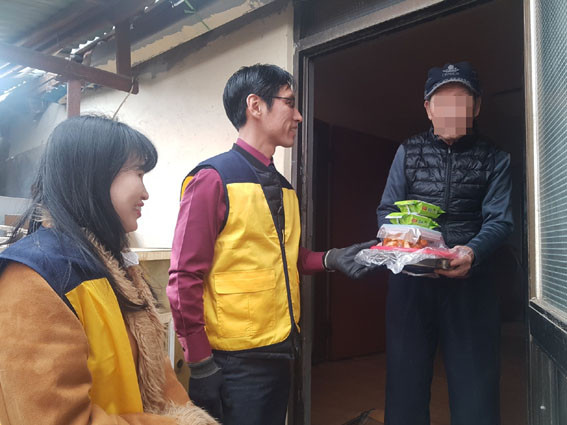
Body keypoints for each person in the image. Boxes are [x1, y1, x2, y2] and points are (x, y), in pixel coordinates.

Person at [168, 64, 375, 425]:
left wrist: (332, 258)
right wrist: (200, 363)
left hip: (281, 350)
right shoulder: (212, 179)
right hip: (234, 361)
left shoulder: (284, 188)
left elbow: (285, 257)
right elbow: (183, 277)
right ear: (255, 106)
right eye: (289, 103)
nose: (298, 116)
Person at [0, 116, 217, 425]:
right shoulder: (34, 278)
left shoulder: (114, 267)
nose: (145, 193)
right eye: (138, 173)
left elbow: (158, 375)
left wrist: (191, 418)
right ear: (95, 175)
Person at [377, 62, 513, 425]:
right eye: (443, 101)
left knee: (476, 391)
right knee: (405, 387)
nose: (452, 110)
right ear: (428, 108)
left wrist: (472, 251)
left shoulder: (495, 157)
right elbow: (387, 210)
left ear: (477, 107)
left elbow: (500, 220)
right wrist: (405, 245)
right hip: (412, 283)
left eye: (462, 101)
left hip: (471, 284)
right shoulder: (408, 151)